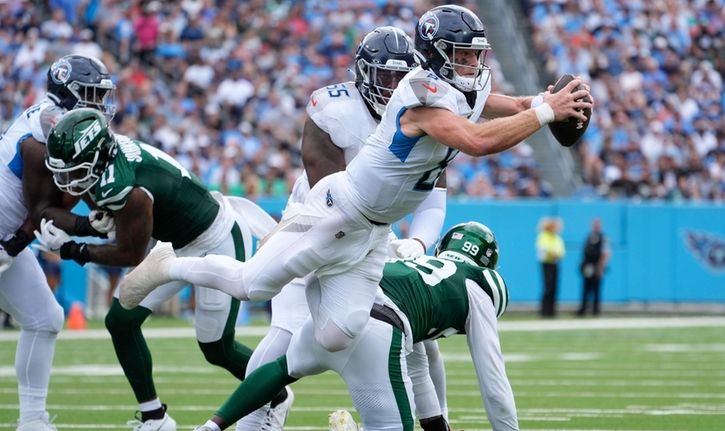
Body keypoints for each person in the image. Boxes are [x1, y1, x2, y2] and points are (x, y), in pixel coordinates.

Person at [119, 3, 589, 371]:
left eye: (475, 55)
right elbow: (477, 141)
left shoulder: (461, 86)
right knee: (250, 284)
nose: (472, 64)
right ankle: (173, 265)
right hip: (335, 211)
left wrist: (547, 99)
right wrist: (544, 114)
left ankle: (299, 370)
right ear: (435, 57)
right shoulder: (421, 99)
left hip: (373, 230)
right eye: (462, 55)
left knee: (338, 334)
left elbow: (504, 103)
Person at [235, 26, 451, 431]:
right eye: (385, 77)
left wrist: (418, 243)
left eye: (402, 78)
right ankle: (245, 422)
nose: (394, 87)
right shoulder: (334, 111)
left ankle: (439, 423)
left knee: (421, 341)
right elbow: (332, 200)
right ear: (364, 75)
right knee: (284, 334)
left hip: (374, 233)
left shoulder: (427, 111)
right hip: (315, 224)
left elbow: (434, 197)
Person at [34, 108, 277, 431]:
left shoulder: (126, 186)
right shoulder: (109, 161)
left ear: (96, 156)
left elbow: (131, 252)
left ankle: (275, 393)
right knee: (121, 320)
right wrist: (93, 224)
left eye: (77, 170)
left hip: (216, 241)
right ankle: (155, 418)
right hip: (175, 244)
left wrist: (71, 248)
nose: (69, 180)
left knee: (216, 348)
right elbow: (116, 221)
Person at [190, 221, 517, 431]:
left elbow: (418, 359)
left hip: (337, 303)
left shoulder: (412, 260)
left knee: (283, 367)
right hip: (379, 329)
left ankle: (212, 425)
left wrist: (436, 424)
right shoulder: (480, 284)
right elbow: (493, 379)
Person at [0, 54, 117, 431]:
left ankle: (32, 420)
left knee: (45, 319)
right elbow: (44, 209)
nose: (99, 104)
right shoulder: (52, 123)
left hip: (5, 236)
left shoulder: (55, 119)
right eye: (90, 94)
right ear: (67, 92)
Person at [577, 218, 610, 316]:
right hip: (588, 266)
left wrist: (601, 267)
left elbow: (606, 253)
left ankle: (596, 310)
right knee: (586, 287)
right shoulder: (589, 236)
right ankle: (583, 309)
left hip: (597, 265)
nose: (596, 226)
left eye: (597, 224)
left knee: (596, 288)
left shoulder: (603, 237)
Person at [536, 217, 565, 317]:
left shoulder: (557, 238)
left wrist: (556, 254)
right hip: (546, 264)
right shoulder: (543, 236)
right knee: (547, 287)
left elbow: (561, 251)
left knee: (554, 287)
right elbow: (543, 248)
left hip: (555, 263)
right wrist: (552, 253)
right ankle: (545, 311)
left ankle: (552, 311)